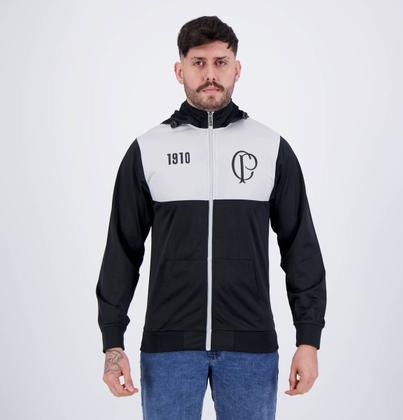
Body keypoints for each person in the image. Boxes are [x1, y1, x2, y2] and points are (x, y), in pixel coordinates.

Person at [96, 15, 327, 419]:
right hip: (169, 350)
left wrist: (308, 339)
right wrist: (113, 343)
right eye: (198, 63)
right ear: (179, 70)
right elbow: (122, 250)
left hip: (250, 349)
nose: (210, 75)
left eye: (221, 62)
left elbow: (300, 247)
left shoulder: (270, 148)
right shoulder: (148, 150)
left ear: (237, 68)